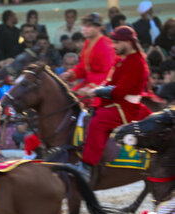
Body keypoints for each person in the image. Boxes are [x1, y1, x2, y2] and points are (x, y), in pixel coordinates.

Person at [74, 26, 151, 178]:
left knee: (98, 122)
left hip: (127, 108)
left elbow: (119, 91)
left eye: (116, 42)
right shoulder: (123, 59)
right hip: (118, 104)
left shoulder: (137, 62)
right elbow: (109, 82)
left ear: (128, 43)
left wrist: (94, 91)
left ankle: (87, 167)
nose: (113, 46)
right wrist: (92, 89)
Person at [60, 13, 116, 102]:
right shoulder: (87, 42)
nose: (84, 29)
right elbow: (83, 67)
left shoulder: (106, 44)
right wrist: (70, 74)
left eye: (88, 26)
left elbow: (110, 73)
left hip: (101, 88)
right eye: (84, 26)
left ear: (99, 27)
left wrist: (92, 88)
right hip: (87, 85)